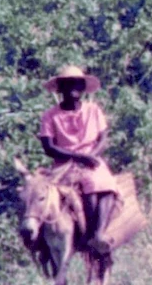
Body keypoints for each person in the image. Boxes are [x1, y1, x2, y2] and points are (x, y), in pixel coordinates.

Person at [38, 65, 120, 255]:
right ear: (60, 89)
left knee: (105, 183)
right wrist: (77, 157)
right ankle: (43, 242)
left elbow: (103, 138)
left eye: (76, 84)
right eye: (67, 84)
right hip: (65, 163)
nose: (72, 88)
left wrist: (92, 156)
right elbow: (48, 147)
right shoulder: (50, 116)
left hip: (92, 158)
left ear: (83, 88)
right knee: (37, 195)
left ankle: (97, 233)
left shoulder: (93, 110)